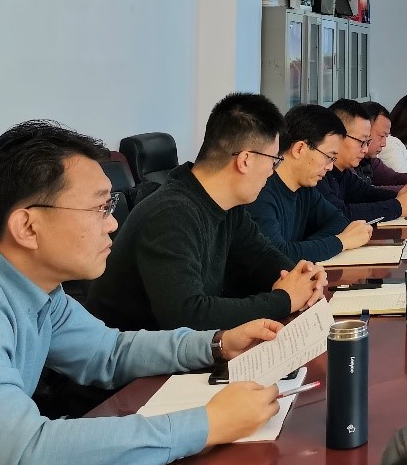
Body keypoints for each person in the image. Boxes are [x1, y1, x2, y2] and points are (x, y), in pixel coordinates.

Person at [0, 121, 284, 465]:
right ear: (27, 227)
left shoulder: (37, 287)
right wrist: (207, 425)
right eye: (99, 207)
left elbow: (108, 352)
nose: (113, 223)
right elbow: (22, 456)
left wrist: (216, 344)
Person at [88, 93, 327, 332]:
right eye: (274, 161)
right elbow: (187, 316)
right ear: (245, 160)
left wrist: (303, 277)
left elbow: (259, 256)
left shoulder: (227, 206)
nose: (272, 172)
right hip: (131, 353)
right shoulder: (171, 215)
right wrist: (284, 300)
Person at [246, 104, 375, 263]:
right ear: (299, 149)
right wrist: (340, 242)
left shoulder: (304, 188)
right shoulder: (260, 192)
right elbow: (277, 256)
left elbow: (338, 220)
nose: (330, 167)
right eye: (329, 157)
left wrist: (302, 249)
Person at [320, 99, 407, 222]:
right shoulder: (318, 173)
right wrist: (397, 206)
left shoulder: (342, 173)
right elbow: (340, 213)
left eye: (367, 142)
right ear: (337, 136)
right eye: (362, 142)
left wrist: (400, 197)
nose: (365, 149)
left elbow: (365, 193)